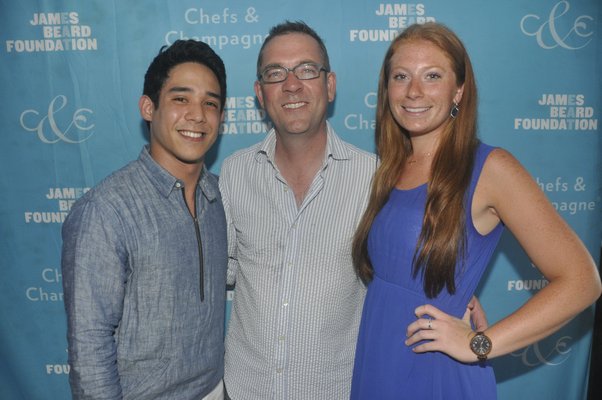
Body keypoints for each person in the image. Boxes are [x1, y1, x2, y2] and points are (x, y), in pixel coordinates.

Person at [218, 21, 486, 400]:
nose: (291, 84)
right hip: (245, 390)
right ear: (260, 94)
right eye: (275, 73)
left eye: (307, 70)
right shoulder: (233, 172)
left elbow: (404, 263)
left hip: (339, 391)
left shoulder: (379, 179)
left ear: (330, 86)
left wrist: (456, 297)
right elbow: (218, 270)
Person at [350, 22, 601, 400]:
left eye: (432, 76)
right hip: (379, 358)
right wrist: (450, 278)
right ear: (387, 90)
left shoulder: (491, 168)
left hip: (435, 372)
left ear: (459, 91)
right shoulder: (392, 165)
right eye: (401, 76)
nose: (414, 91)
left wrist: (479, 344)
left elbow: (582, 281)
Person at [61, 39, 228, 399]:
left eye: (210, 103)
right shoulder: (106, 210)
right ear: (149, 108)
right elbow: (89, 345)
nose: (197, 115)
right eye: (181, 99)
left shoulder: (221, 196)